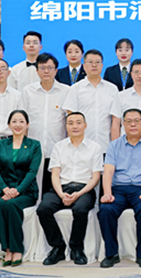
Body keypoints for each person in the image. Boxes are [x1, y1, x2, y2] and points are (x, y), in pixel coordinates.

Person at [37, 112, 103, 266]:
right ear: (66, 127)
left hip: (84, 189)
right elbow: (55, 174)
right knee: (43, 209)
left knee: (80, 209)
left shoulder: (95, 148)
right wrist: (61, 194)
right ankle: (58, 247)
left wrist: (78, 194)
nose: (75, 126)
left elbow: (95, 178)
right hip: (61, 188)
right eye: (71, 123)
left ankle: (76, 248)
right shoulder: (59, 147)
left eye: (78, 122)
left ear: (85, 125)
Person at [99, 109, 141, 268]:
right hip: (119, 189)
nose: (133, 124)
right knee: (106, 210)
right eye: (128, 121)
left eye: (137, 120)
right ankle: (111, 254)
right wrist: (107, 193)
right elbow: (108, 171)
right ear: (123, 124)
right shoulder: (114, 145)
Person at [0, 110, 41, 266]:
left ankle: (17, 249)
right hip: (3, 190)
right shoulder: (1, 145)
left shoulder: (34, 145)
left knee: (12, 205)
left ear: (27, 125)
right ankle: (7, 249)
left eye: (21, 121)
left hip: (25, 191)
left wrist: (17, 190)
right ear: (9, 124)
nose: (17, 125)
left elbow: (32, 172)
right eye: (14, 121)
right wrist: (5, 189)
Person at [21, 53, 68, 195]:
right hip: (33, 149)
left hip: (58, 150)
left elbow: (70, 122)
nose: (46, 71)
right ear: (36, 70)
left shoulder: (66, 91)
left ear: (56, 70)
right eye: (42, 68)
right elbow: (22, 122)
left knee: (54, 192)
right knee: (32, 191)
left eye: (50, 67)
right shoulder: (28, 91)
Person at [61, 49, 119, 152]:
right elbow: (71, 119)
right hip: (81, 147)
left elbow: (115, 120)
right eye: (90, 62)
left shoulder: (112, 89)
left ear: (102, 65)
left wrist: (115, 148)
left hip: (105, 146)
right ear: (84, 66)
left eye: (97, 62)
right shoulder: (75, 89)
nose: (94, 65)